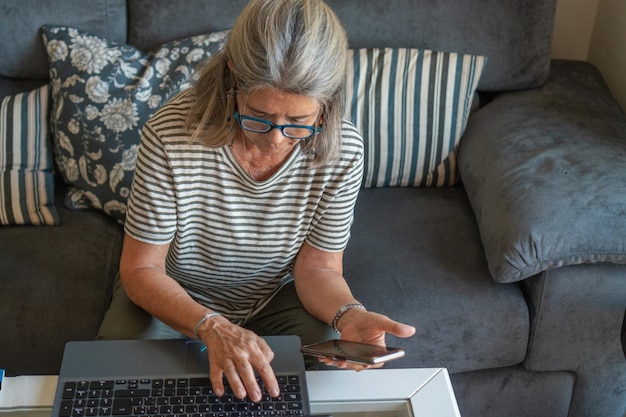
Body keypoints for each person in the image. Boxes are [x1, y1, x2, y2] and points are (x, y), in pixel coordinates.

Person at [97, 0, 415, 403]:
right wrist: (211, 325)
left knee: (323, 376)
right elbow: (142, 268)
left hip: (273, 294)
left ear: (327, 100)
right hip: (174, 291)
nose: (276, 139)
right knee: (112, 377)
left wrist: (349, 314)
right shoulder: (170, 134)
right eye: (258, 116)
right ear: (233, 75)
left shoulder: (344, 149)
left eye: (298, 122)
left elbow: (317, 267)